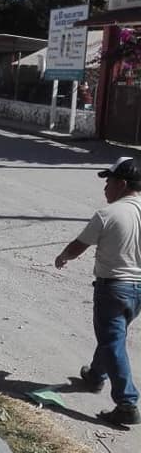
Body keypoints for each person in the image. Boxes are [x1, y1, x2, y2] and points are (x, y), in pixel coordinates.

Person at [55, 156, 141, 427]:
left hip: (114, 288)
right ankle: (94, 375)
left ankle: (127, 403)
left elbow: (79, 245)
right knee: (112, 335)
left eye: (109, 182)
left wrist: (63, 256)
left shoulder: (108, 214)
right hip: (138, 291)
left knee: (112, 339)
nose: (105, 189)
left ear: (123, 183)